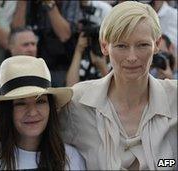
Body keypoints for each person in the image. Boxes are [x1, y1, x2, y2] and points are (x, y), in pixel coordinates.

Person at [60, 1, 177, 170]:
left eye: (142, 45)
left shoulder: (175, 98)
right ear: (104, 46)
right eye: (121, 46)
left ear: (157, 45)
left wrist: (168, 163)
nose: (132, 57)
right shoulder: (77, 103)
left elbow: (172, 163)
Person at [0, 55, 85, 170]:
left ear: (50, 107)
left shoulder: (71, 158)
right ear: (8, 111)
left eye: (40, 101)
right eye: (21, 103)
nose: (32, 112)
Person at [0, 27, 38, 95]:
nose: (31, 49)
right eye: (25, 45)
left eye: (33, 44)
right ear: (11, 47)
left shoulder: (45, 73)